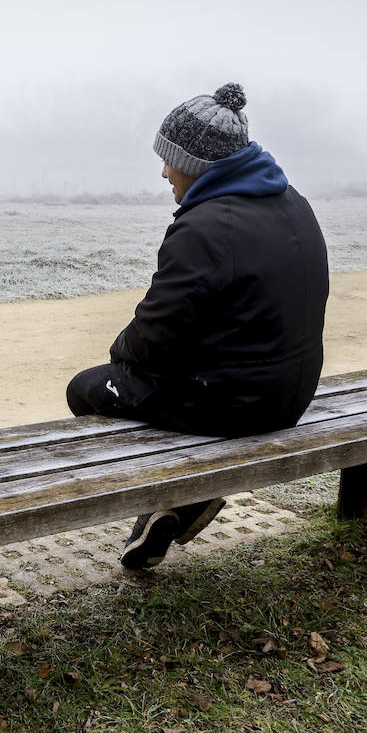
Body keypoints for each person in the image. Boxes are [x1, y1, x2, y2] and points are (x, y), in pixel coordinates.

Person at [66, 82, 329, 568]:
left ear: (201, 166)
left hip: (237, 404)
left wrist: (118, 354)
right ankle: (180, 499)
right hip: (294, 391)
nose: (165, 171)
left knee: (87, 390)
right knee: (139, 382)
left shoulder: (206, 227)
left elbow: (154, 338)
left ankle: (177, 493)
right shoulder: (294, 203)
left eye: (174, 161)